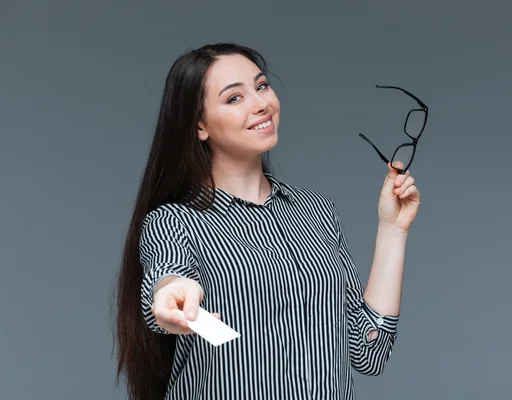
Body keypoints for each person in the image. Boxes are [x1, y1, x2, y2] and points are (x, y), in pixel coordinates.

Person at [114, 42, 421, 400]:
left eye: (261, 86)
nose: (261, 103)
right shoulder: (174, 222)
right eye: (234, 98)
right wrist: (173, 295)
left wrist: (393, 230)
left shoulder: (317, 212)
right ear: (199, 126)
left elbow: (369, 352)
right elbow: (168, 280)